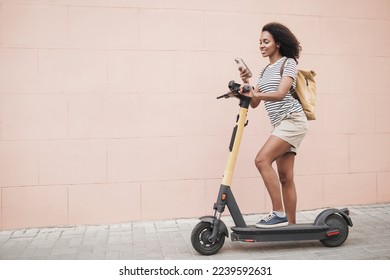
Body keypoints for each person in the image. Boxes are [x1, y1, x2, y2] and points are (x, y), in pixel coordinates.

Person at [238, 22, 308, 228]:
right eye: (259, 42)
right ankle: (292, 227)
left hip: (292, 120)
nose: (261, 45)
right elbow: (255, 102)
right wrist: (246, 82)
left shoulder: (289, 63)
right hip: (280, 125)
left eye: (265, 41)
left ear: (277, 43)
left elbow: (280, 93)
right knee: (286, 177)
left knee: (261, 160)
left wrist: (255, 93)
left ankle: (278, 213)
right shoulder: (264, 70)